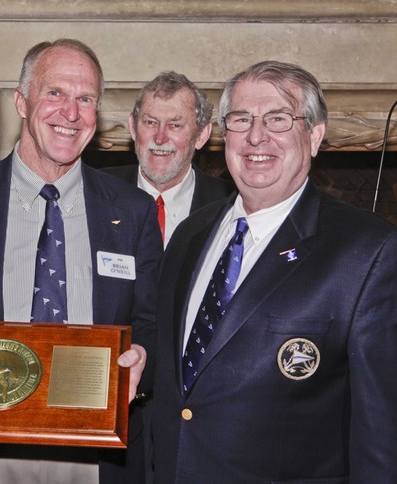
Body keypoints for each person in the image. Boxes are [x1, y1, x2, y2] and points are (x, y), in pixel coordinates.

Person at [0, 38, 162, 484]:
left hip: (98, 454)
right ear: (22, 102)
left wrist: (143, 357)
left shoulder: (133, 211)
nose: (71, 112)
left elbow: (153, 323)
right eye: (55, 93)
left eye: (86, 99)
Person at [151, 59, 397, 483]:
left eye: (278, 119)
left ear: (315, 135)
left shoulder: (367, 251)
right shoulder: (190, 234)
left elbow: (380, 431)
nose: (256, 136)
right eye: (241, 119)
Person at [105, 71, 234, 247]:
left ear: (201, 135)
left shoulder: (229, 204)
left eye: (175, 125)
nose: (160, 138)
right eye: (150, 122)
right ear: (133, 128)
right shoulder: (96, 191)